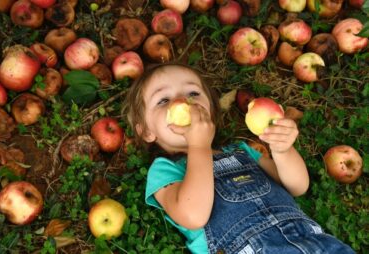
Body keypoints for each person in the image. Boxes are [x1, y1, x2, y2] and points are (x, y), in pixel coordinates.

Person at [125, 63, 355, 254]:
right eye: (163, 100)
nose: (184, 102)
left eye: (193, 93)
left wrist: (283, 150)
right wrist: (199, 145)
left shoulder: (241, 151)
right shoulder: (165, 170)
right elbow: (193, 215)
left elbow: (296, 186)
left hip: (317, 243)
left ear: (211, 112)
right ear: (146, 131)